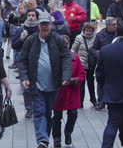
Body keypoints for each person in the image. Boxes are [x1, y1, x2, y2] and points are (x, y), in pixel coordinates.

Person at [18, 11, 73, 148]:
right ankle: (42, 140)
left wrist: (66, 77)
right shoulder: (31, 41)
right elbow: (22, 60)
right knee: (40, 112)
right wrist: (24, 77)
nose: (44, 27)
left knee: (48, 113)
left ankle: (44, 140)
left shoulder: (58, 40)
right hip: (36, 84)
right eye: (42, 24)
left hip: (54, 84)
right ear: (38, 25)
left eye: (46, 24)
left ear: (51, 25)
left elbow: (67, 58)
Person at [52, 35, 86, 148]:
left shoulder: (75, 57)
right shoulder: (53, 58)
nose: (64, 46)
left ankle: (68, 132)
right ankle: (56, 138)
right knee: (57, 116)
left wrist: (73, 80)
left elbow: (81, 74)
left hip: (71, 91)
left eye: (66, 44)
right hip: (58, 92)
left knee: (73, 114)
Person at [12, 8, 40, 118]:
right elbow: (15, 46)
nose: (31, 17)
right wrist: (21, 38)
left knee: (38, 86)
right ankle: (29, 108)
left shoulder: (40, 30)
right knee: (26, 86)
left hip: (38, 61)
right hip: (24, 62)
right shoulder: (21, 30)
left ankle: (37, 107)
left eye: (33, 15)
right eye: (29, 15)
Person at [92, 17, 117, 110]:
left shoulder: (118, 34)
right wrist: (99, 55)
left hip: (115, 63)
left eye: (116, 24)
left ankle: (112, 100)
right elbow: (93, 48)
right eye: (113, 25)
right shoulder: (100, 35)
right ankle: (101, 101)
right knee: (101, 82)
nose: (116, 26)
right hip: (103, 63)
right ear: (107, 25)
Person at [72, 22, 97, 107]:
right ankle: (80, 101)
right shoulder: (79, 38)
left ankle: (93, 99)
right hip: (81, 64)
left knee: (91, 83)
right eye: (87, 30)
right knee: (81, 84)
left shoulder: (96, 38)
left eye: (90, 31)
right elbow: (73, 50)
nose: (88, 32)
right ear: (84, 30)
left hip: (91, 64)